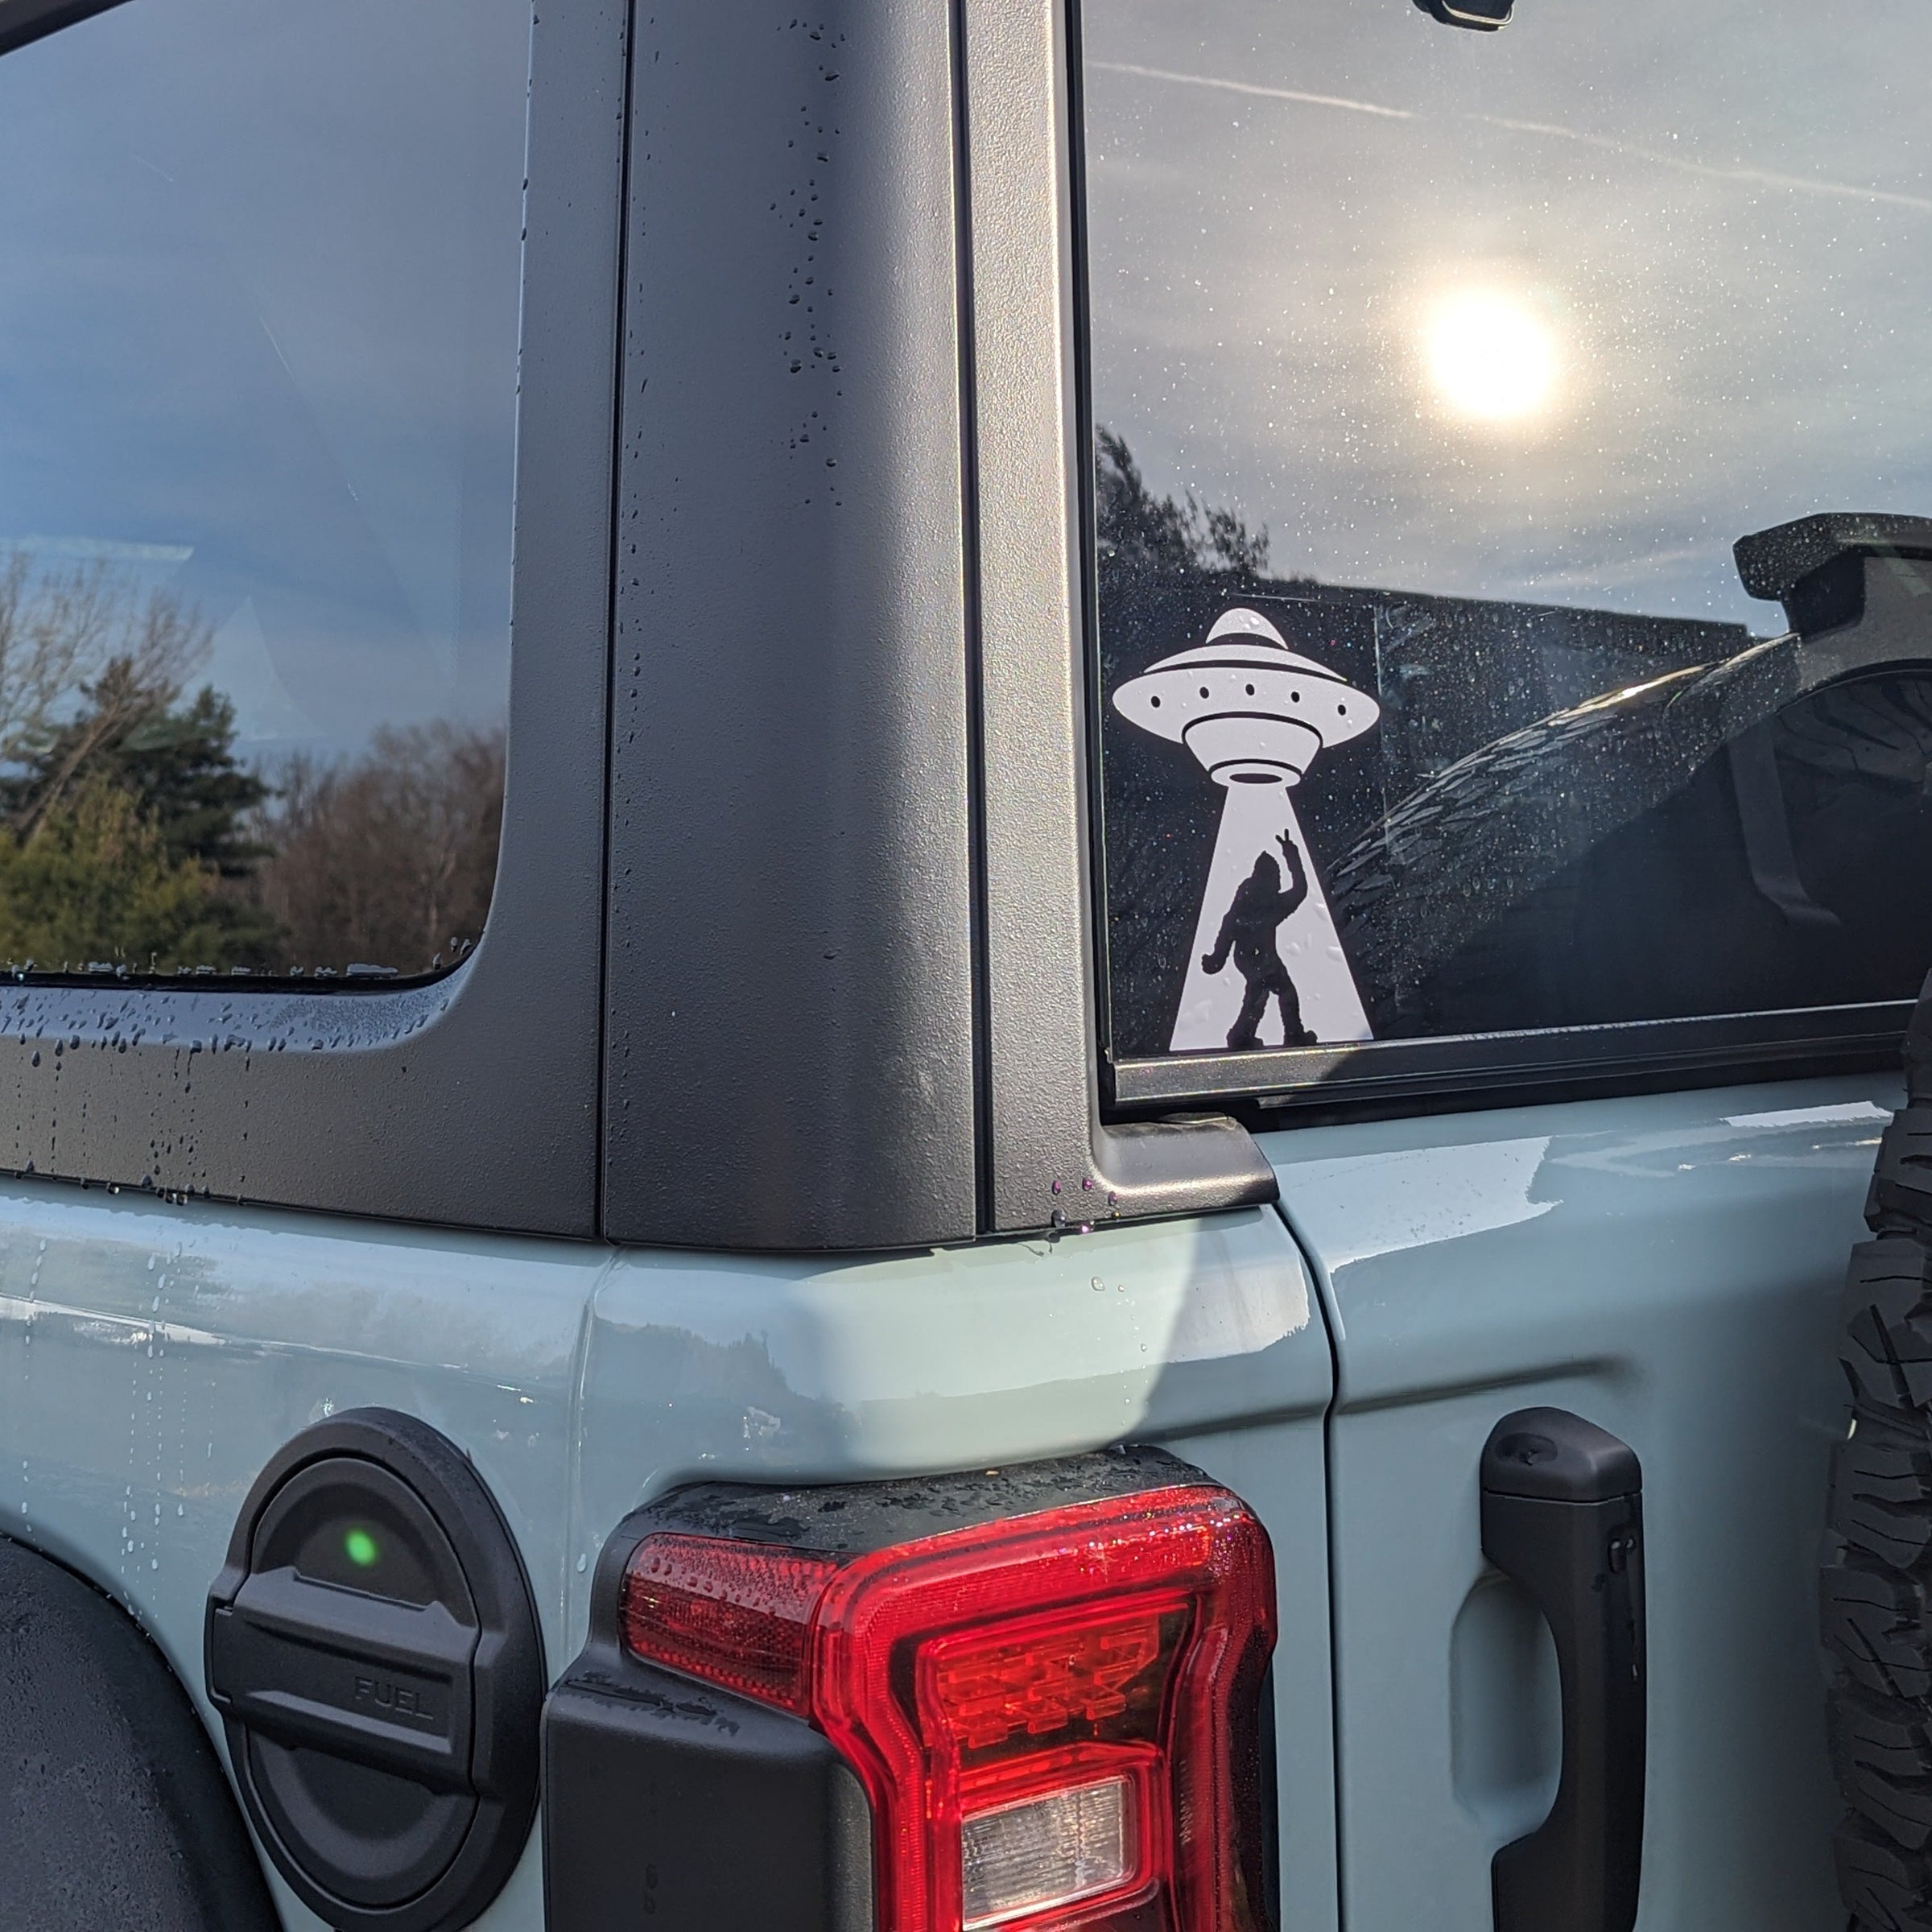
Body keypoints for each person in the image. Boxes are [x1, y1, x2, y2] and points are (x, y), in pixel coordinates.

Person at [1202, 830, 1318, 1050]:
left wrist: (1291, 855)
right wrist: (1216, 959)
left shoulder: (1269, 905)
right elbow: (1226, 932)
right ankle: (1245, 1035)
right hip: (1250, 958)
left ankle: (1286, 1034)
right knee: (1261, 991)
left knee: (1279, 992)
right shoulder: (1252, 906)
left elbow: (1300, 891)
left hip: (1264, 957)